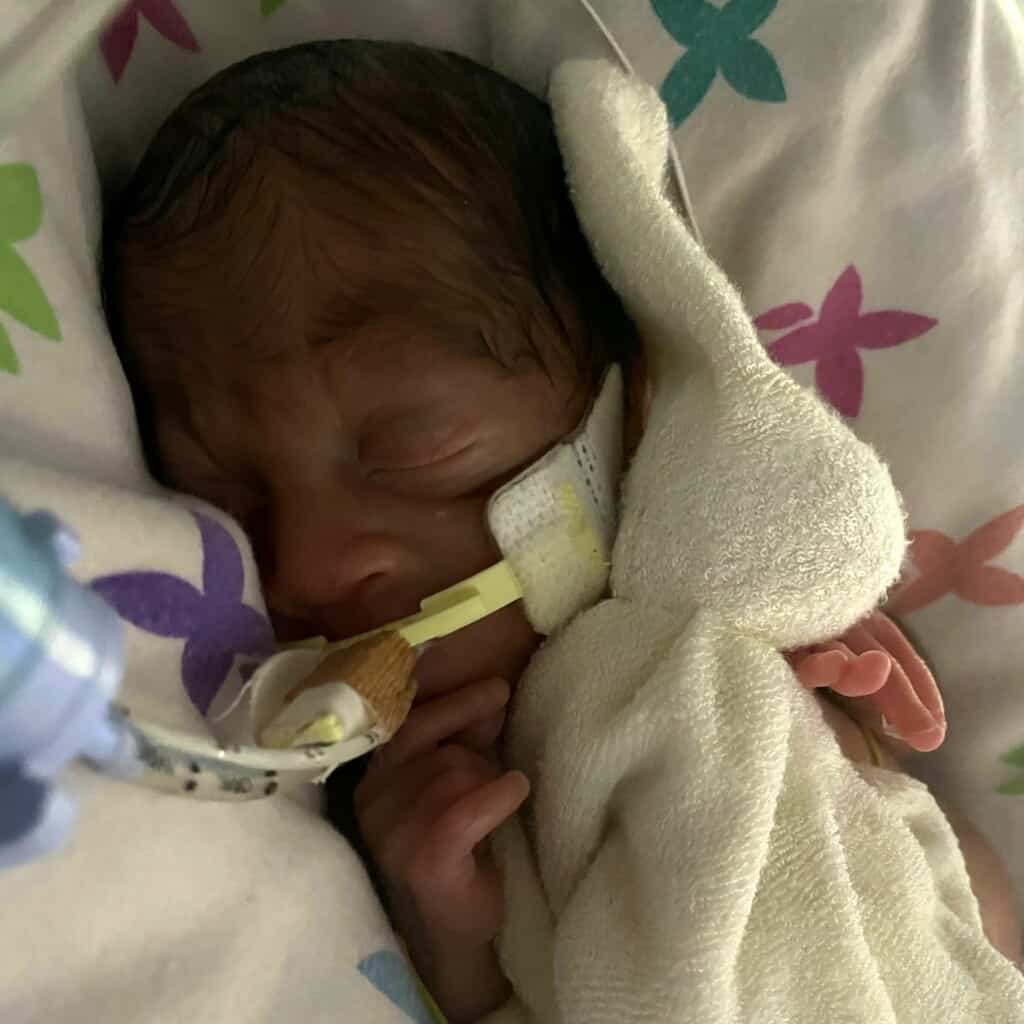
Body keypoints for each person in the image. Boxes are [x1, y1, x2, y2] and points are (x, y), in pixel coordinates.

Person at [102, 39, 1018, 1023]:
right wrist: (445, 930)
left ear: (623, 411)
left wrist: (856, 748)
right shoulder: (353, 802)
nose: (308, 565)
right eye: (231, 499)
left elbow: (973, 943)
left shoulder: (748, 648)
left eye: (412, 451)